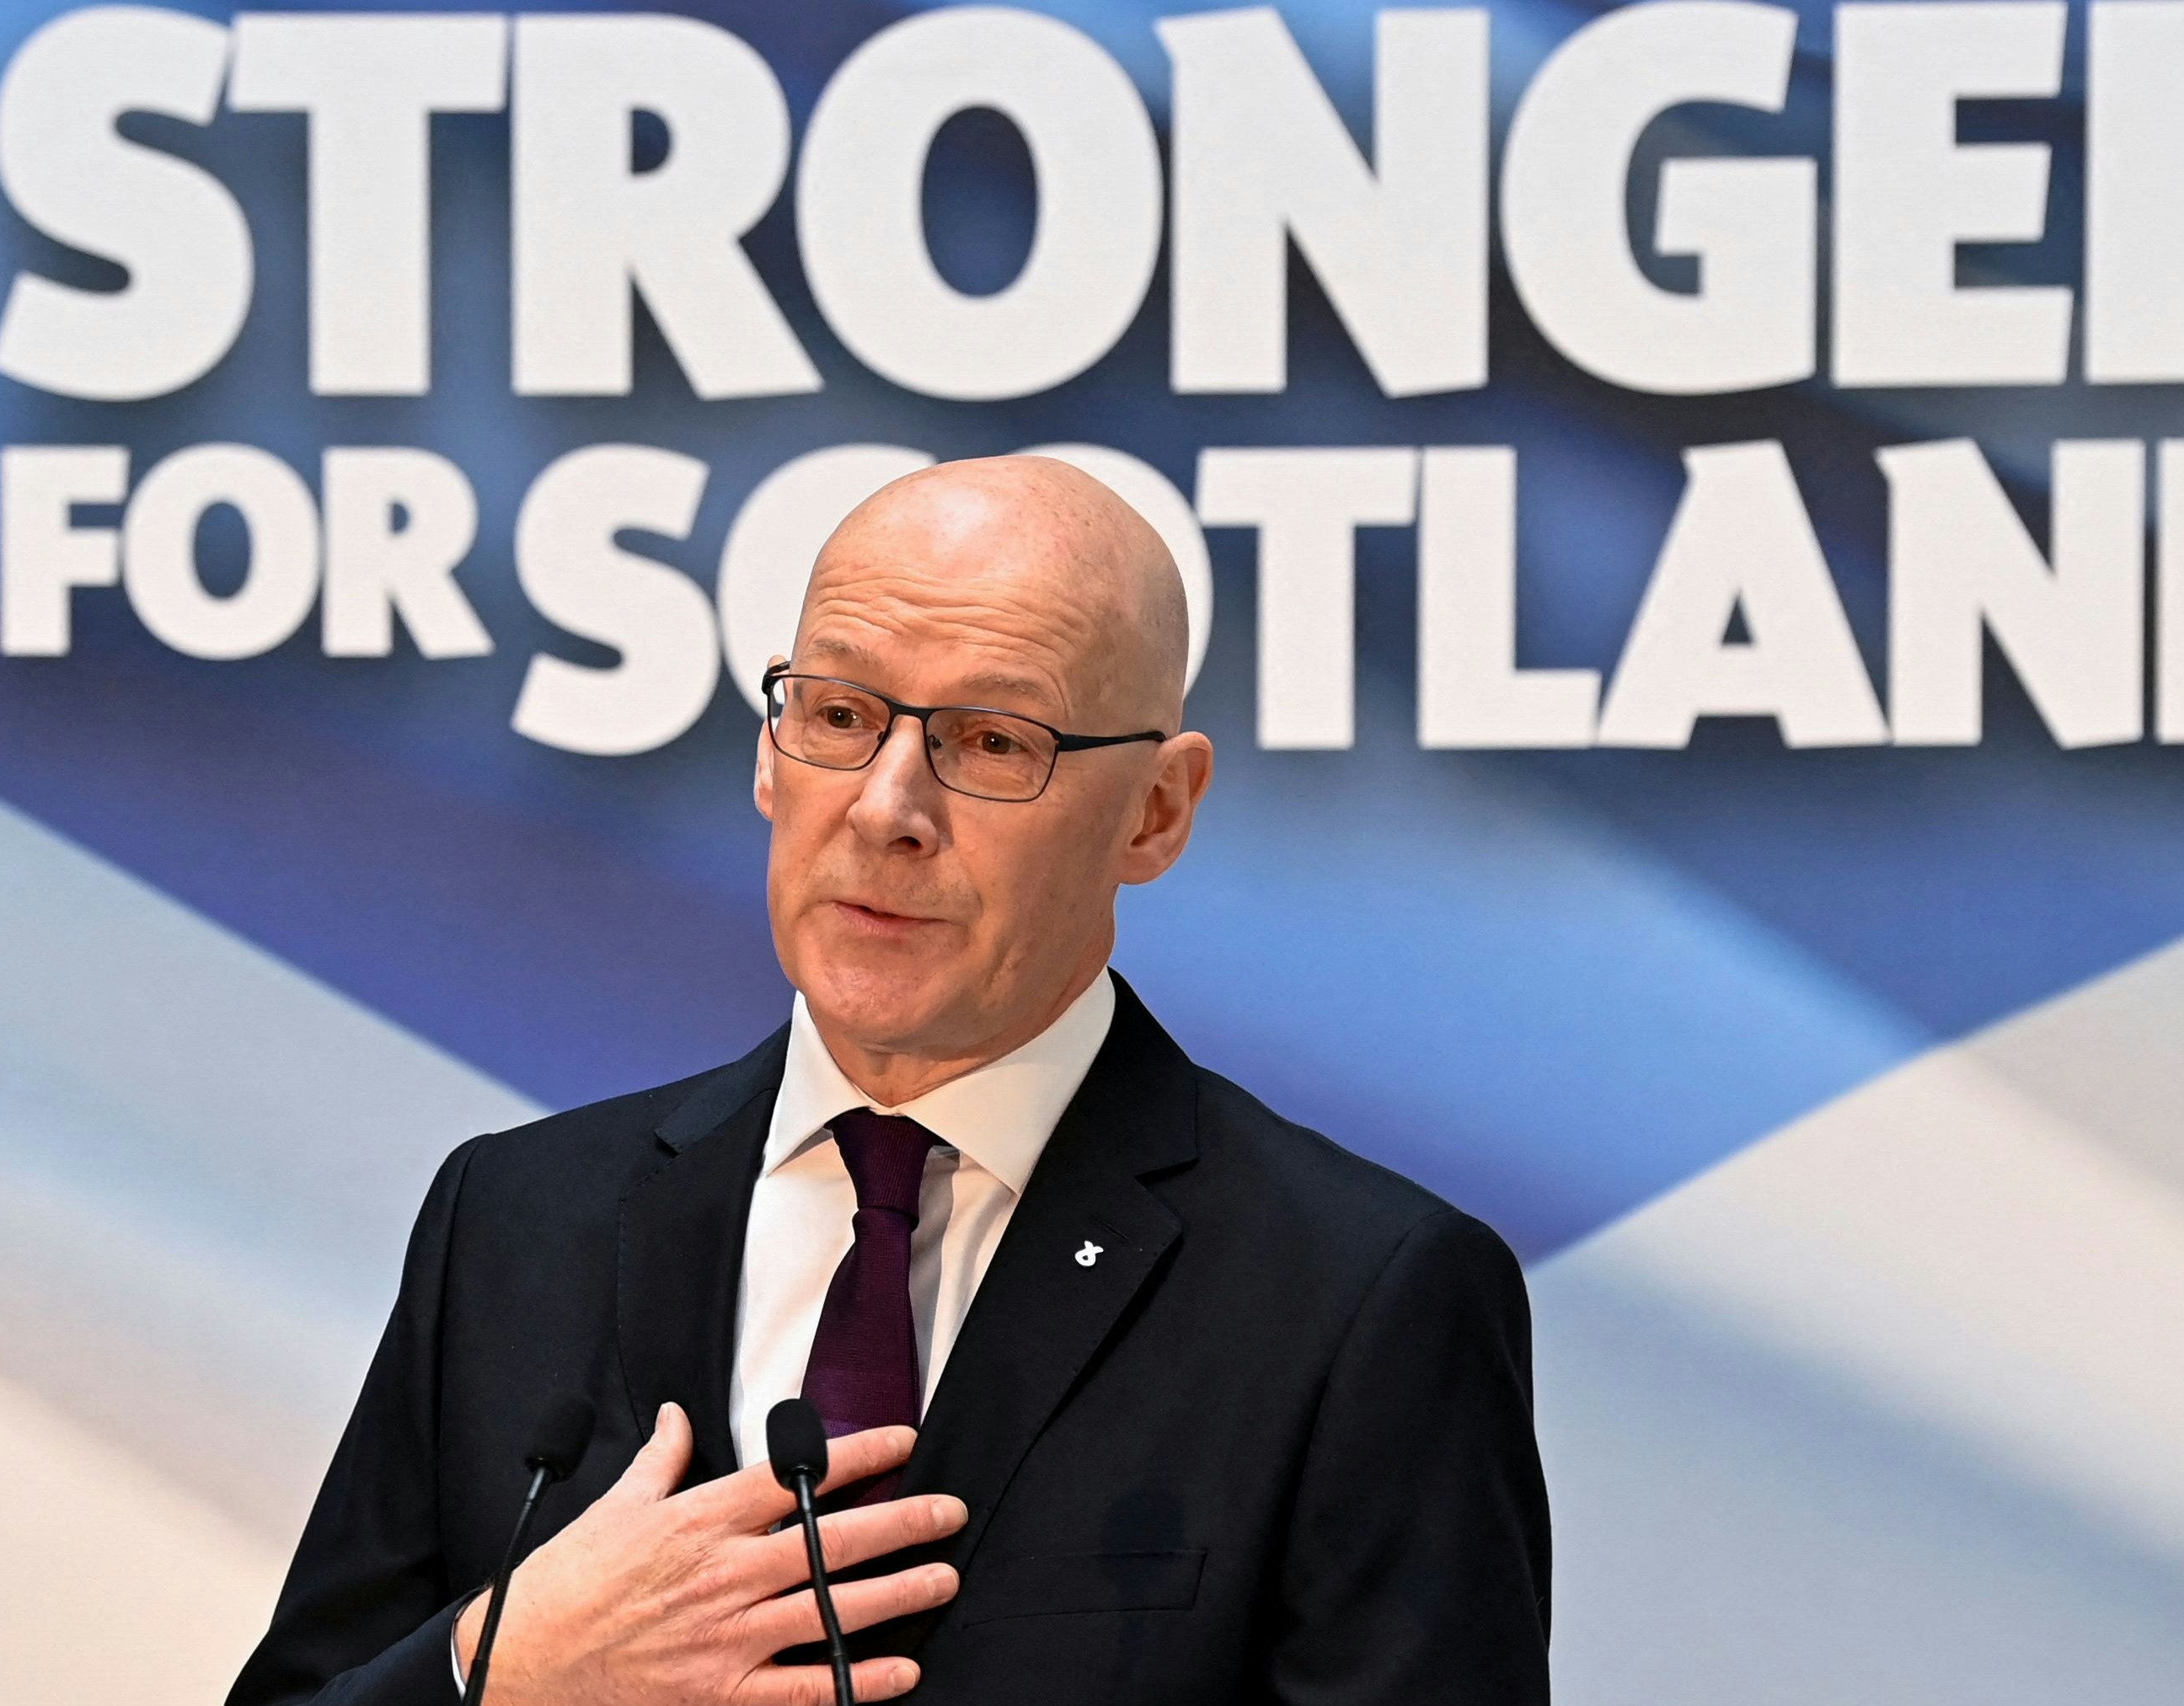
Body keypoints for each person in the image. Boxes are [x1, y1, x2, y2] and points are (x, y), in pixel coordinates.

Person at [227, 456, 1551, 1705]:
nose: (885, 806)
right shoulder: (516, 1220)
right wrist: (495, 1671)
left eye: (990, 741)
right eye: (842, 716)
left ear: (1155, 809)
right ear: (767, 751)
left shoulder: (1360, 1300)